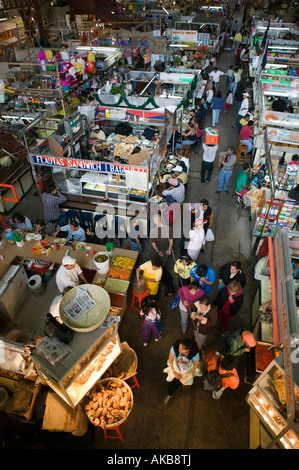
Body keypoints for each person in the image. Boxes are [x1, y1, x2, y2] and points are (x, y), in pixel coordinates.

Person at [163, 338, 201, 405]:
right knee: (173, 384)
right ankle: (169, 395)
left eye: (182, 349)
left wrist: (183, 373)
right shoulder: (175, 347)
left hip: (187, 371)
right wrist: (176, 372)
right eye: (179, 347)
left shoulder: (194, 352)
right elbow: (170, 360)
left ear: (188, 350)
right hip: (175, 369)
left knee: (186, 380)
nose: (179, 350)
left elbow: (194, 367)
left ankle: (184, 383)